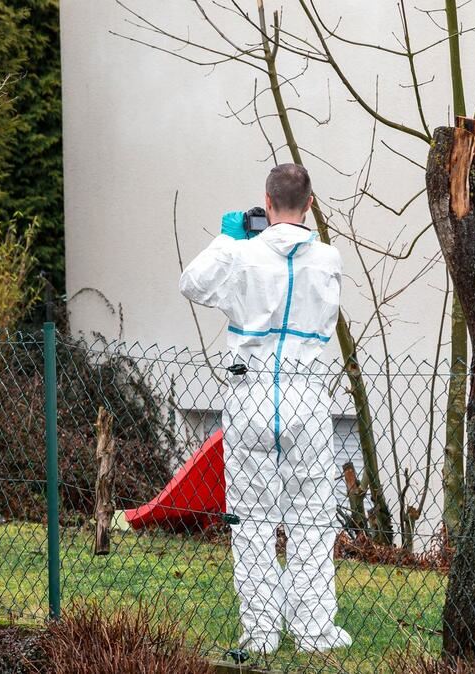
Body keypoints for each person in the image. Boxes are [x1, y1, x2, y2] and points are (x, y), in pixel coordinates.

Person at [179, 164, 351, 655]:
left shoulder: (242, 254)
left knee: (251, 520)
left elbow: (192, 284)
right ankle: (315, 629)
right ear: (311, 204)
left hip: (250, 394)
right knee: (312, 516)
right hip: (306, 395)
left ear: (266, 203)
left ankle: (260, 632)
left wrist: (226, 239)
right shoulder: (328, 258)